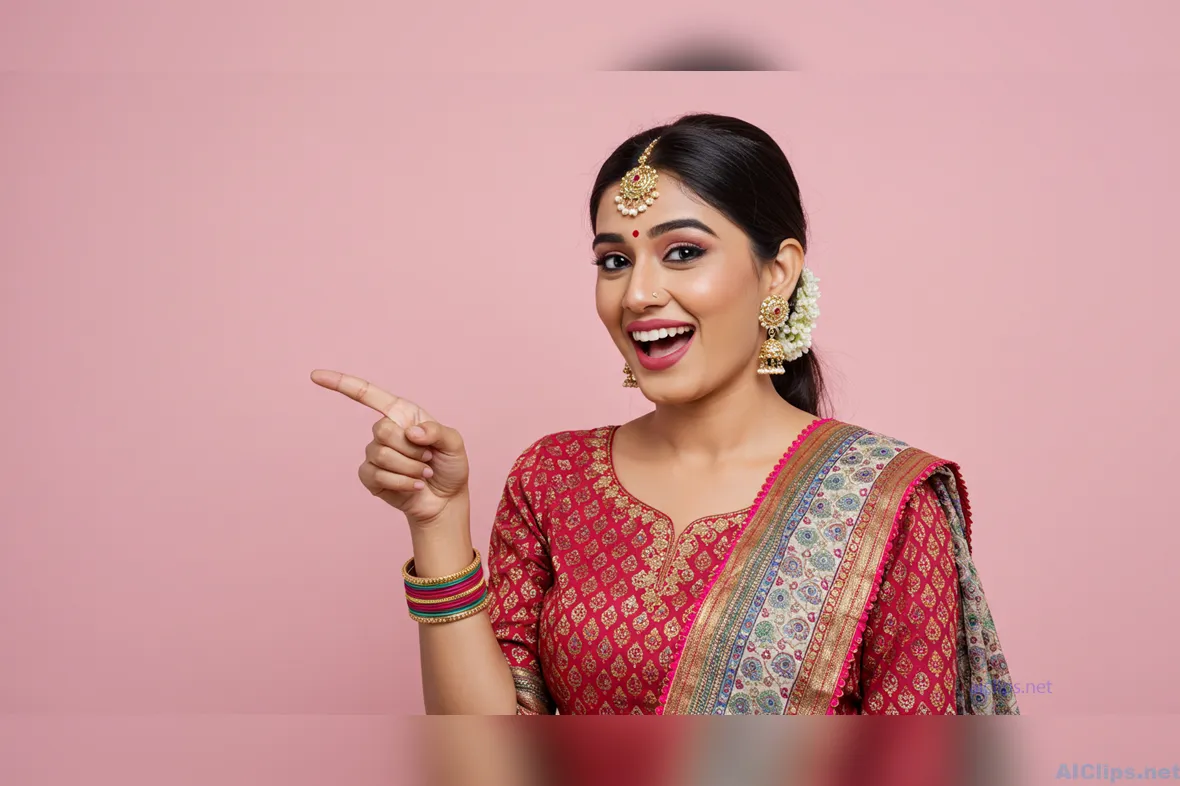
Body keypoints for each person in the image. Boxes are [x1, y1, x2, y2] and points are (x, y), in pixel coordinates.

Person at [311, 114, 1019, 715]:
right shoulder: (553, 478)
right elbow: (485, 761)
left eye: (683, 253)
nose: (639, 293)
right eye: (613, 261)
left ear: (778, 272)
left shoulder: (886, 500)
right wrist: (436, 522)